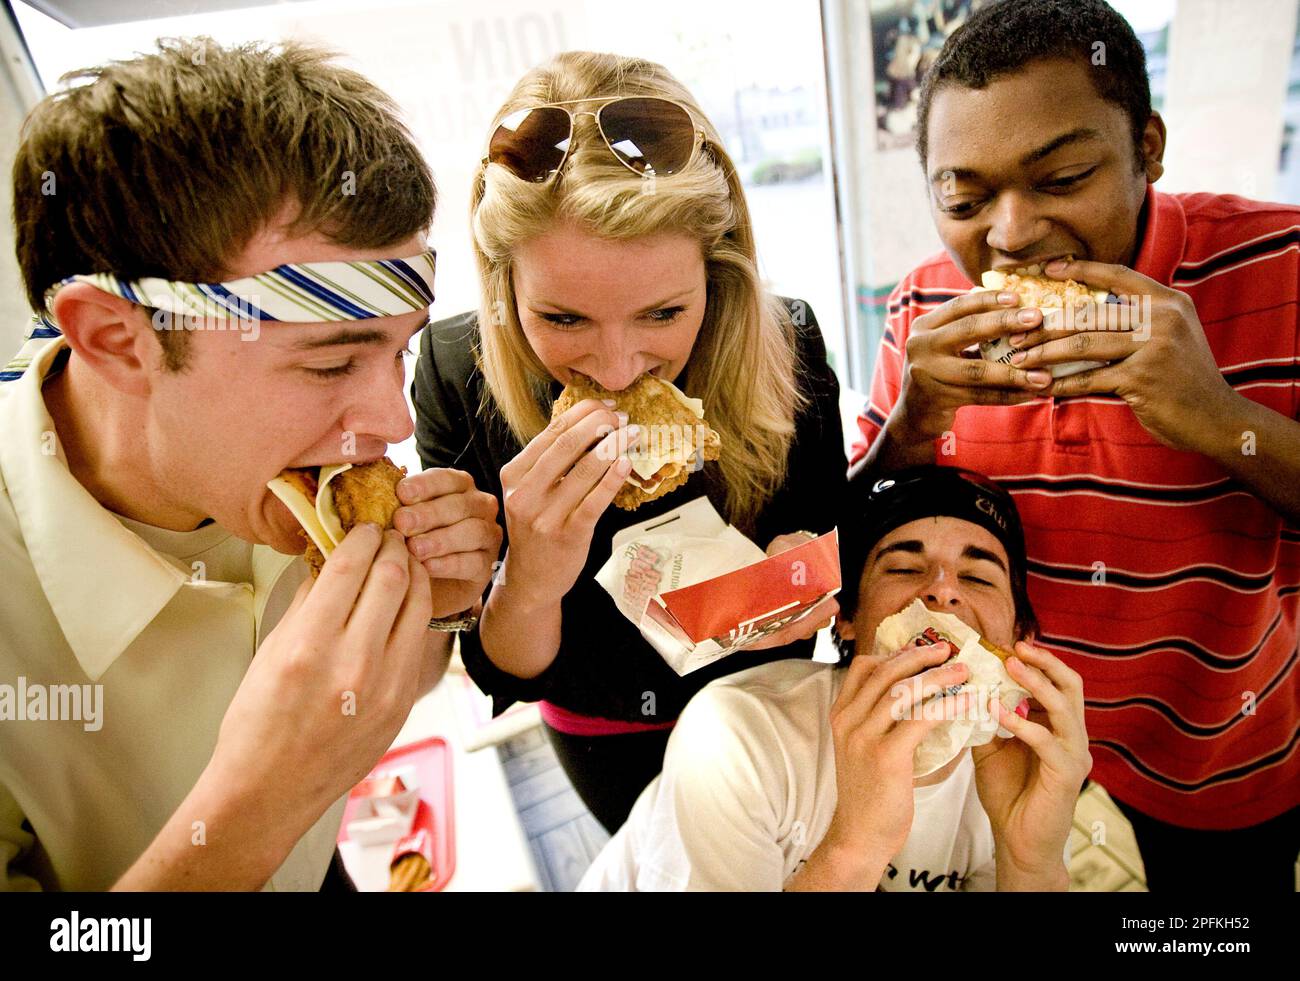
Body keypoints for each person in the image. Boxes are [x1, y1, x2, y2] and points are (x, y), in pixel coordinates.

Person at [0, 39, 501, 891]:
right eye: (330, 363)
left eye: (396, 355)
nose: (392, 422)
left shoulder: (298, 486)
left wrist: (437, 615)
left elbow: (364, 706)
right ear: (120, 340)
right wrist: (258, 801)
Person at [852, 0, 1300, 891]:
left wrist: (1212, 413)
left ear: (1148, 147)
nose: (1011, 234)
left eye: (1061, 179)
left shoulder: (1281, 263)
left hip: (1220, 754)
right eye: (966, 198)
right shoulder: (921, 306)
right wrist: (913, 423)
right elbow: (853, 535)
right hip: (1002, 739)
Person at [412, 51, 847, 832]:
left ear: (718, 274)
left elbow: (828, 533)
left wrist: (802, 572)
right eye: (564, 319)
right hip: (599, 727)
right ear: (503, 283)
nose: (616, 368)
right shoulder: (455, 374)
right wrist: (533, 578)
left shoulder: (791, 343)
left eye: (662, 314)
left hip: (764, 711)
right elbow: (495, 660)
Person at [579, 465, 1090, 891]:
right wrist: (856, 843)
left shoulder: (1027, 769)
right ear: (847, 618)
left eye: (978, 576)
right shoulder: (737, 734)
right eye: (903, 568)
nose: (943, 591)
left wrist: (1030, 863)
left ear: (1020, 632)